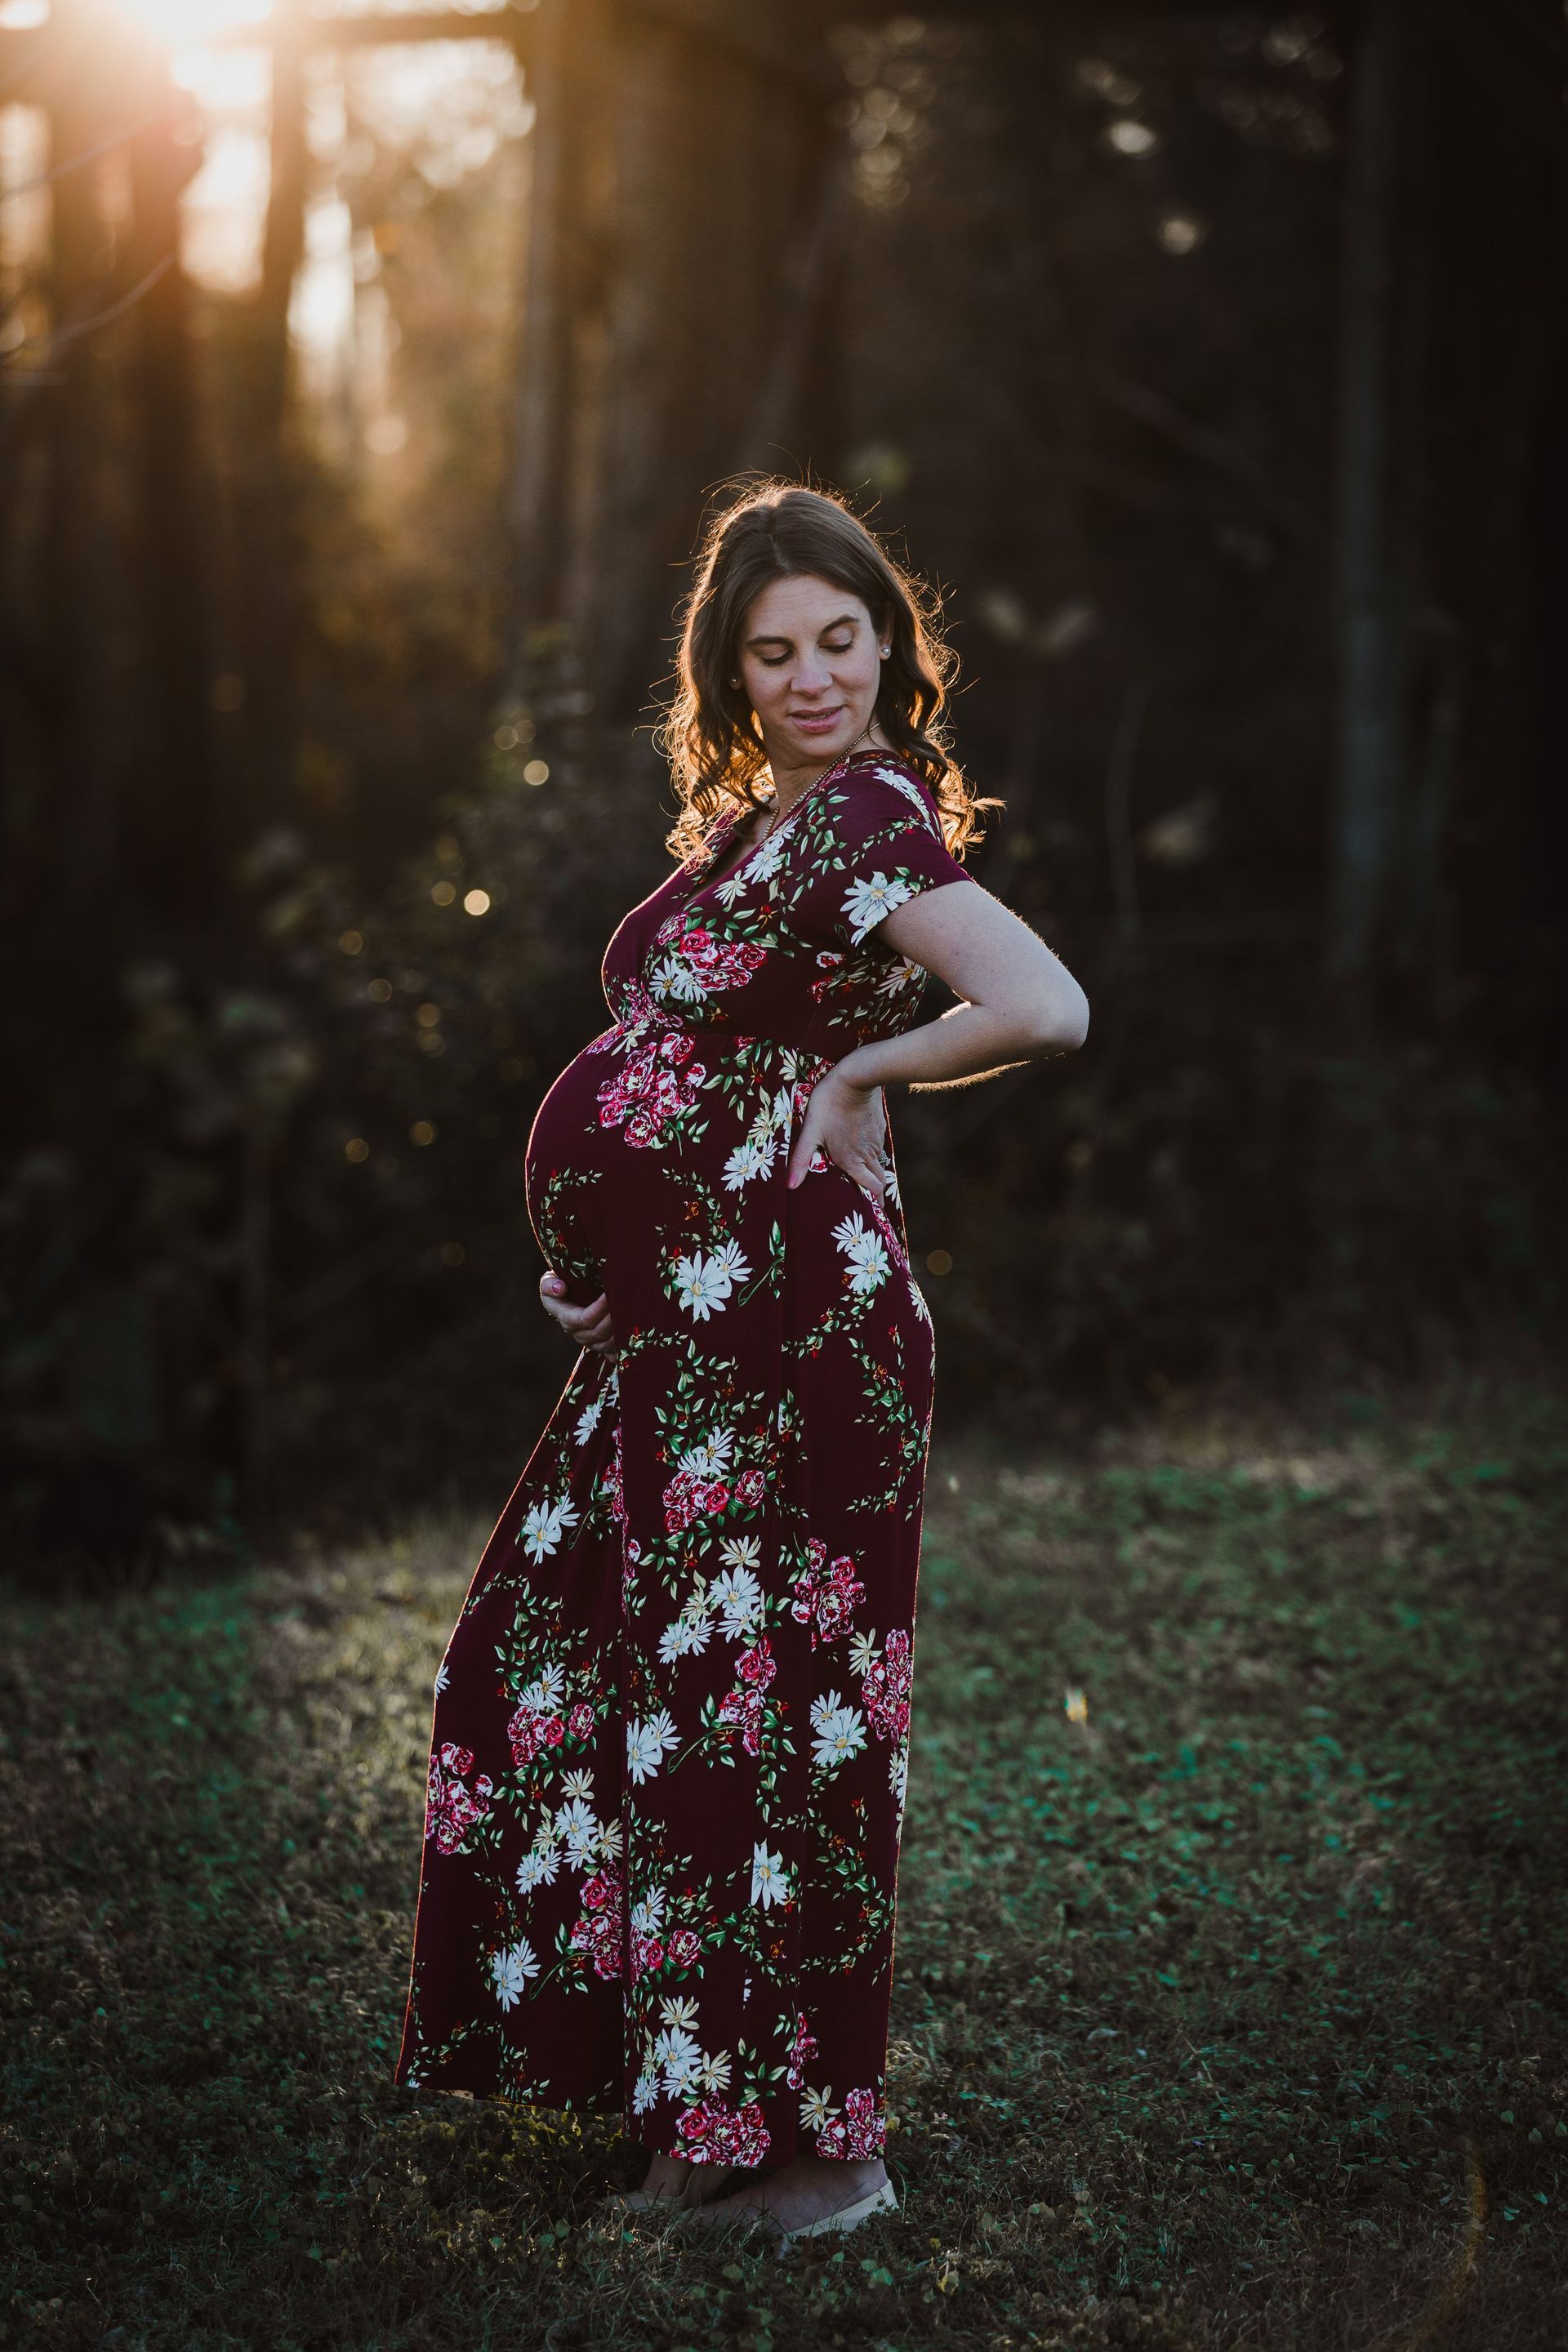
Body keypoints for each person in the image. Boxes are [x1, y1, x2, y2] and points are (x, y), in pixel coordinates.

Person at [393, 481, 1089, 2245]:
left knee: (767, 1716)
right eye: (772, 650)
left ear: (887, 647)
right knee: (559, 1655)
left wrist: (857, 1084)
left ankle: (812, 2157)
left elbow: (1041, 1001)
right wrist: (600, 1262)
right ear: (729, 670)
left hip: (796, 1329)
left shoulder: (865, 822)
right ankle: (685, 2103)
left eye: (841, 640)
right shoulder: (765, 833)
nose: (810, 676)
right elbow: (670, 1081)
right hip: (694, 1328)